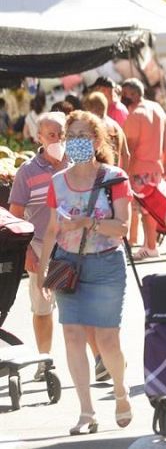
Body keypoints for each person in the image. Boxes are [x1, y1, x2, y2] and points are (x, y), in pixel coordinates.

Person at [38, 111, 133, 435]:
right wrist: (41, 271)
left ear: (96, 140)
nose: (77, 142)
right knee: (73, 335)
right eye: (72, 136)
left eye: (83, 135)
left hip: (106, 264)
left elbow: (123, 228)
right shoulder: (56, 182)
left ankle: (121, 392)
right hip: (68, 264)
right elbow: (51, 228)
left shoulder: (115, 178)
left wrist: (86, 222)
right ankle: (86, 411)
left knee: (107, 340)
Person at [8, 112, 69, 381]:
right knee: (43, 310)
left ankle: (100, 358)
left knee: (77, 308)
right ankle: (45, 361)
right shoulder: (28, 172)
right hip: (43, 250)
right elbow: (16, 215)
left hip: (74, 251)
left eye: (62, 134)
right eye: (52, 135)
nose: (58, 140)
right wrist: (27, 252)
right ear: (40, 138)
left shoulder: (76, 165)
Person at [120, 78, 166, 260]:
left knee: (147, 211)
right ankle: (149, 244)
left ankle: (150, 245)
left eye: (123, 94)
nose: (121, 98)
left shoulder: (136, 115)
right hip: (156, 167)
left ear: (132, 94)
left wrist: (123, 171)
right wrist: (165, 164)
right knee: (150, 209)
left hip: (139, 169)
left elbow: (130, 149)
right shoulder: (157, 109)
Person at [83, 92, 130, 170]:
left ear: (93, 108)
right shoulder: (116, 126)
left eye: (88, 109)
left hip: (98, 176)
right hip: (114, 175)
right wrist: (122, 175)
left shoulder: (94, 127)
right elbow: (126, 155)